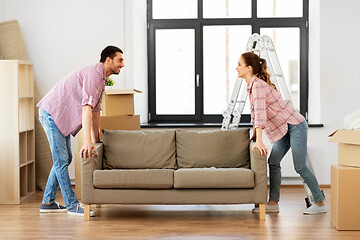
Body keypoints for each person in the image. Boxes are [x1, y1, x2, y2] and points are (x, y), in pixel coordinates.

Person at [37, 46, 124, 216]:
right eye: (120, 60)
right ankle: (71, 205)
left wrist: (97, 139)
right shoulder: (93, 75)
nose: (123, 64)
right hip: (52, 114)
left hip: (59, 116)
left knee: (65, 158)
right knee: (62, 160)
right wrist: (87, 141)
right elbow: (86, 108)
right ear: (108, 60)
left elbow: (96, 111)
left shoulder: (102, 79)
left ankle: (47, 202)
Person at [236, 52, 326, 214]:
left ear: (248, 68)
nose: (237, 68)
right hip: (283, 127)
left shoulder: (257, 85)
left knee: (300, 166)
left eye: (239, 65)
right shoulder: (252, 86)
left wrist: (260, 141)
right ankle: (273, 202)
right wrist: (255, 137)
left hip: (295, 124)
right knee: (274, 161)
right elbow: (255, 113)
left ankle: (320, 203)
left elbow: (261, 114)